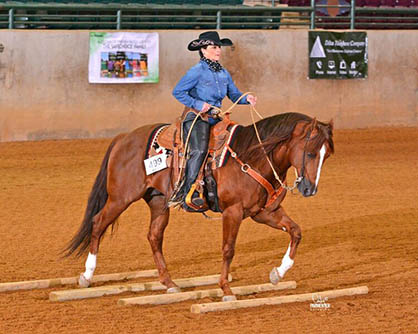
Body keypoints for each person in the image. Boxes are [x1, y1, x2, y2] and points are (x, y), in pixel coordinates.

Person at [171, 31, 257, 208]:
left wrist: (245, 99)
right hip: (196, 117)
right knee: (199, 150)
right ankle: (187, 193)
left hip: (215, 118)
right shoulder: (196, 71)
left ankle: (219, 189)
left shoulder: (223, 73)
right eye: (214, 47)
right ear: (203, 50)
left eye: (219, 47)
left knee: (234, 145)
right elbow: (178, 91)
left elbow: (233, 95)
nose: (218, 50)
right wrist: (197, 104)